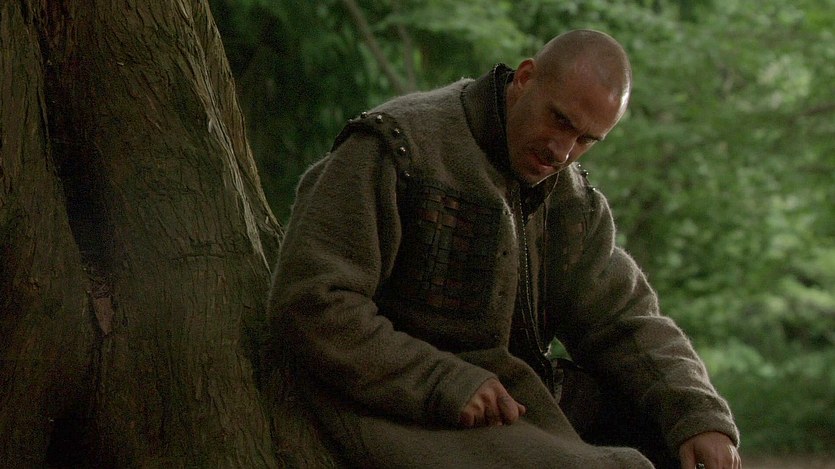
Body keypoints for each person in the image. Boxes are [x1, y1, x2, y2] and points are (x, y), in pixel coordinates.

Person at [269, 29, 741, 468]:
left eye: (585, 140)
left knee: (678, 445)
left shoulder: (569, 198)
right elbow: (313, 302)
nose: (562, 151)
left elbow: (622, 319)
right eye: (560, 120)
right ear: (526, 78)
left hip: (514, 403)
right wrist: (442, 380)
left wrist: (698, 412)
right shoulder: (397, 146)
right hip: (392, 406)